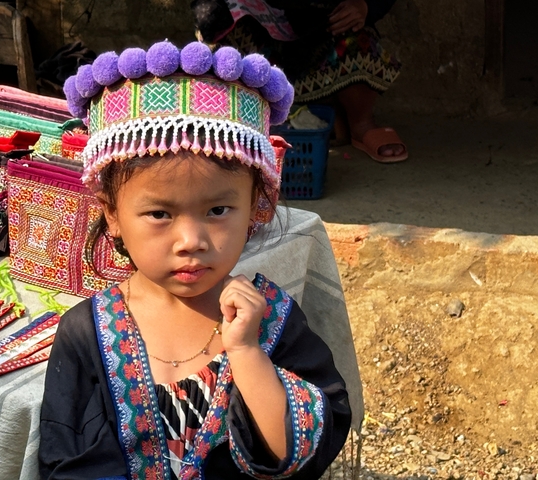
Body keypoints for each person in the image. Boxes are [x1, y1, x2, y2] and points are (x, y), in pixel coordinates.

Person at [39, 40, 351, 479]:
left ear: (254, 207)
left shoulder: (271, 320)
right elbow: (64, 458)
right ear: (113, 214)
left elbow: (293, 455)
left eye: (218, 211)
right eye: (160, 214)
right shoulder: (86, 333)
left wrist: (245, 350)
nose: (191, 240)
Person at [192, 0, 407, 163]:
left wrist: (366, 6)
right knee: (222, 43)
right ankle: (249, 122)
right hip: (257, 26)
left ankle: (361, 123)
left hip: (324, 22)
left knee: (357, 42)